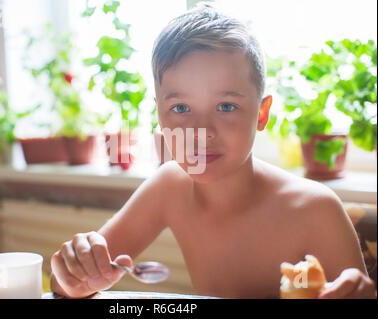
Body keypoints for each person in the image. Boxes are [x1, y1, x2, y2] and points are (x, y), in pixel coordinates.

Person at [50, 4, 376, 299]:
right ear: (159, 116)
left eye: (225, 106)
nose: (201, 133)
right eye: (180, 107)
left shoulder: (315, 209)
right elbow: (68, 285)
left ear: (261, 115)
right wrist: (74, 274)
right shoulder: (169, 187)